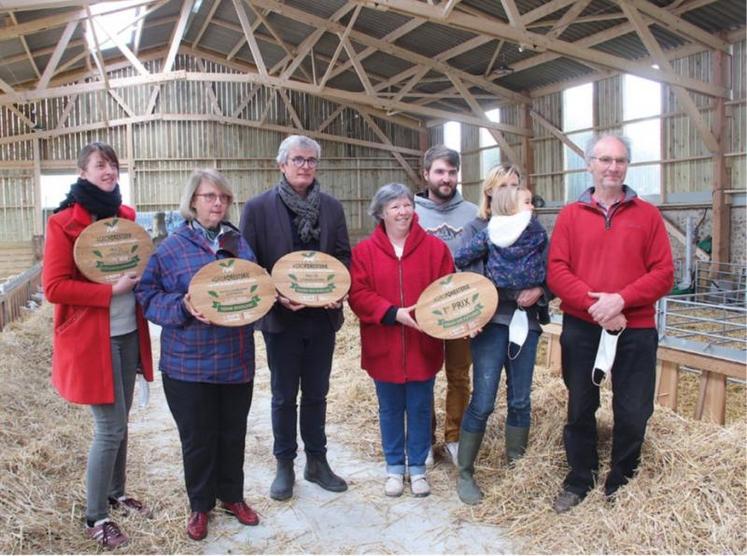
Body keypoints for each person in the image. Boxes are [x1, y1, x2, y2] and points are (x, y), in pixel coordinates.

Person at [547, 134, 673, 513]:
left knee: (634, 409)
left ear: (627, 166)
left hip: (635, 327)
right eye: (604, 160)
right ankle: (579, 477)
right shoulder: (570, 215)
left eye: (619, 161)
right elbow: (556, 271)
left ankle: (622, 479)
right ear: (589, 164)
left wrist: (621, 300)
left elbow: (664, 273)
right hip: (583, 327)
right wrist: (596, 306)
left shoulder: (647, 215)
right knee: (581, 405)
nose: (612, 167)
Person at [135, 169, 259, 541]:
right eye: (209, 197)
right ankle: (200, 504)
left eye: (223, 197)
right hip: (188, 365)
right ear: (192, 201)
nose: (217, 203)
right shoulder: (170, 248)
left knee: (232, 433)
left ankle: (232, 496)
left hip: (235, 360)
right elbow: (147, 297)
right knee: (198, 438)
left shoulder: (239, 244)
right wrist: (183, 307)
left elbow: (257, 287)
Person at [43, 142, 154, 549]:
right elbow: (54, 288)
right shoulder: (63, 223)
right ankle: (96, 516)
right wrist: (110, 291)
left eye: (113, 165)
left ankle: (116, 492)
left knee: (122, 423)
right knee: (108, 428)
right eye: (100, 165)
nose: (109, 171)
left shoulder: (125, 217)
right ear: (83, 172)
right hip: (94, 338)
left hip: (126, 331)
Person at [240, 135, 351, 501]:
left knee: (317, 393)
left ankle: (316, 461)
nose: (305, 166)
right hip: (282, 320)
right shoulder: (257, 209)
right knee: (284, 395)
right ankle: (284, 463)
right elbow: (250, 266)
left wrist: (339, 291)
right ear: (282, 165)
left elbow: (343, 257)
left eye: (311, 160)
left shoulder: (332, 208)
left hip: (322, 320)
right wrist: (275, 298)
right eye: (298, 159)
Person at [452, 165, 550, 505]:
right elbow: (459, 269)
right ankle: (465, 471)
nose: (510, 190)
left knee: (521, 399)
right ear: (490, 192)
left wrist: (540, 288)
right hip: (490, 323)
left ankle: (517, 470)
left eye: (515, 185)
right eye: (502, 185)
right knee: (484, 398)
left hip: (525, 320)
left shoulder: (534, 228)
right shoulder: (478, 228)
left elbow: (552, 267)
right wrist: (472, 311)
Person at [348, 183, 454, 497]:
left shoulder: (435, 249)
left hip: (423, 344)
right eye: (394, 206)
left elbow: (447, 290)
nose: (403, 211)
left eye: (407, 204)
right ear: (381, 212)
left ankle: (418, 467)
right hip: (384, 344)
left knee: (421, 408)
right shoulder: (364, 252)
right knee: (390, 409)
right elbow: (358, 295)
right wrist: (393, 313)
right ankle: (394, 467)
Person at [414, 145, 477, 465]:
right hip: (422, 309)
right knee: (423, 375)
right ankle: (423, 439)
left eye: (452, 172)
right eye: (439, 171)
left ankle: (455, 436)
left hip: (460, 308)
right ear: (426, 174)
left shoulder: (473, 213)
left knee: (459, 374)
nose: (446, 178)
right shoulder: (408, 211)